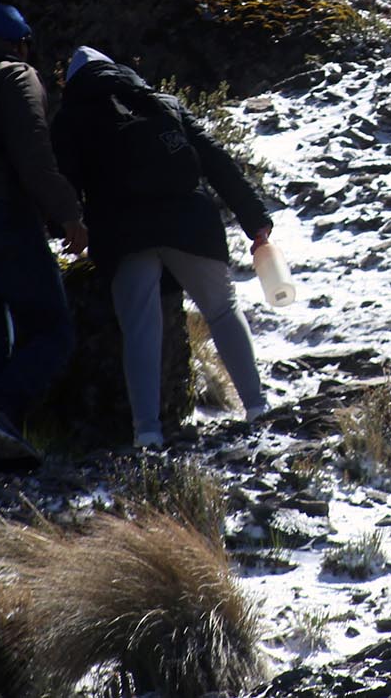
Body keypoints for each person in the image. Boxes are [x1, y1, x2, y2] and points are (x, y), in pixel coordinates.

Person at [52, 46, 274, 448]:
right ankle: (257, 407)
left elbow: (62, 182)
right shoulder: (161, 103)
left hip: (124, 231)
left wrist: (62, 228)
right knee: (222, 311)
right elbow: (216, 160)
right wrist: (255, 220)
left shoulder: (71, 118)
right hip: (191, 222)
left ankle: (147, 432)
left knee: (140, 327)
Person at [0, 2, 88, 468]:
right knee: (52, 330)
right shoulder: (16, 76)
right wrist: (68, 214)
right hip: (7, 220)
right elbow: (34, 156)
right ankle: (1, 413)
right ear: (19, 41)